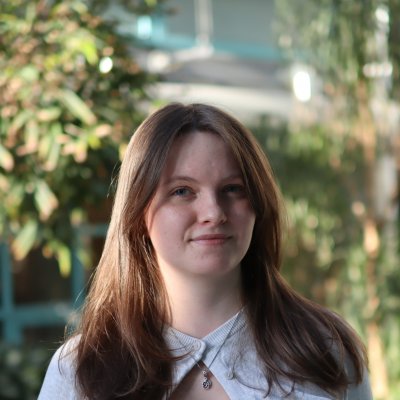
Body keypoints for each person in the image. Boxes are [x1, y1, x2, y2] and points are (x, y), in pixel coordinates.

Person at [39, 103, 373, 400]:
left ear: (258, 205)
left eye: (233, 189)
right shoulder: (79, 370)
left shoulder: (325, 347)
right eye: (182, 191)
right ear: (139, 213)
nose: (214, 212)